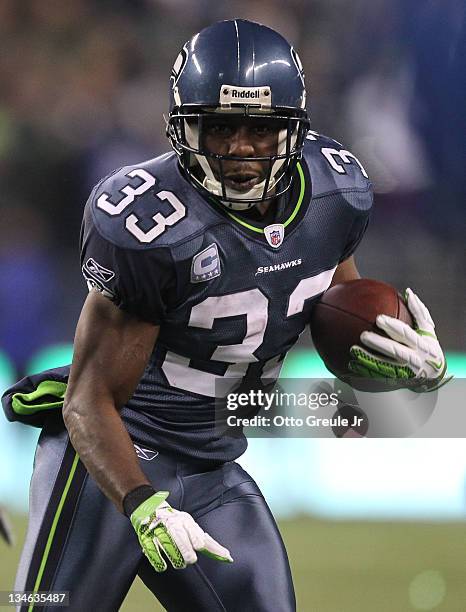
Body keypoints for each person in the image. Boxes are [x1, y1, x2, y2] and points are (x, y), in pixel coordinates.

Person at [6, 19, 447, 611]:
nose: (241, 148)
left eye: (262, 130)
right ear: (185, 127)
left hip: (212, 465)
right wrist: (141, 503)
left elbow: (336, 318)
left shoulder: (335, 195)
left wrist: (403, 363)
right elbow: (87, 401)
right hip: (107, 463)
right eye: (220, 128)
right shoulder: (149, 225)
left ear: (294, 129)